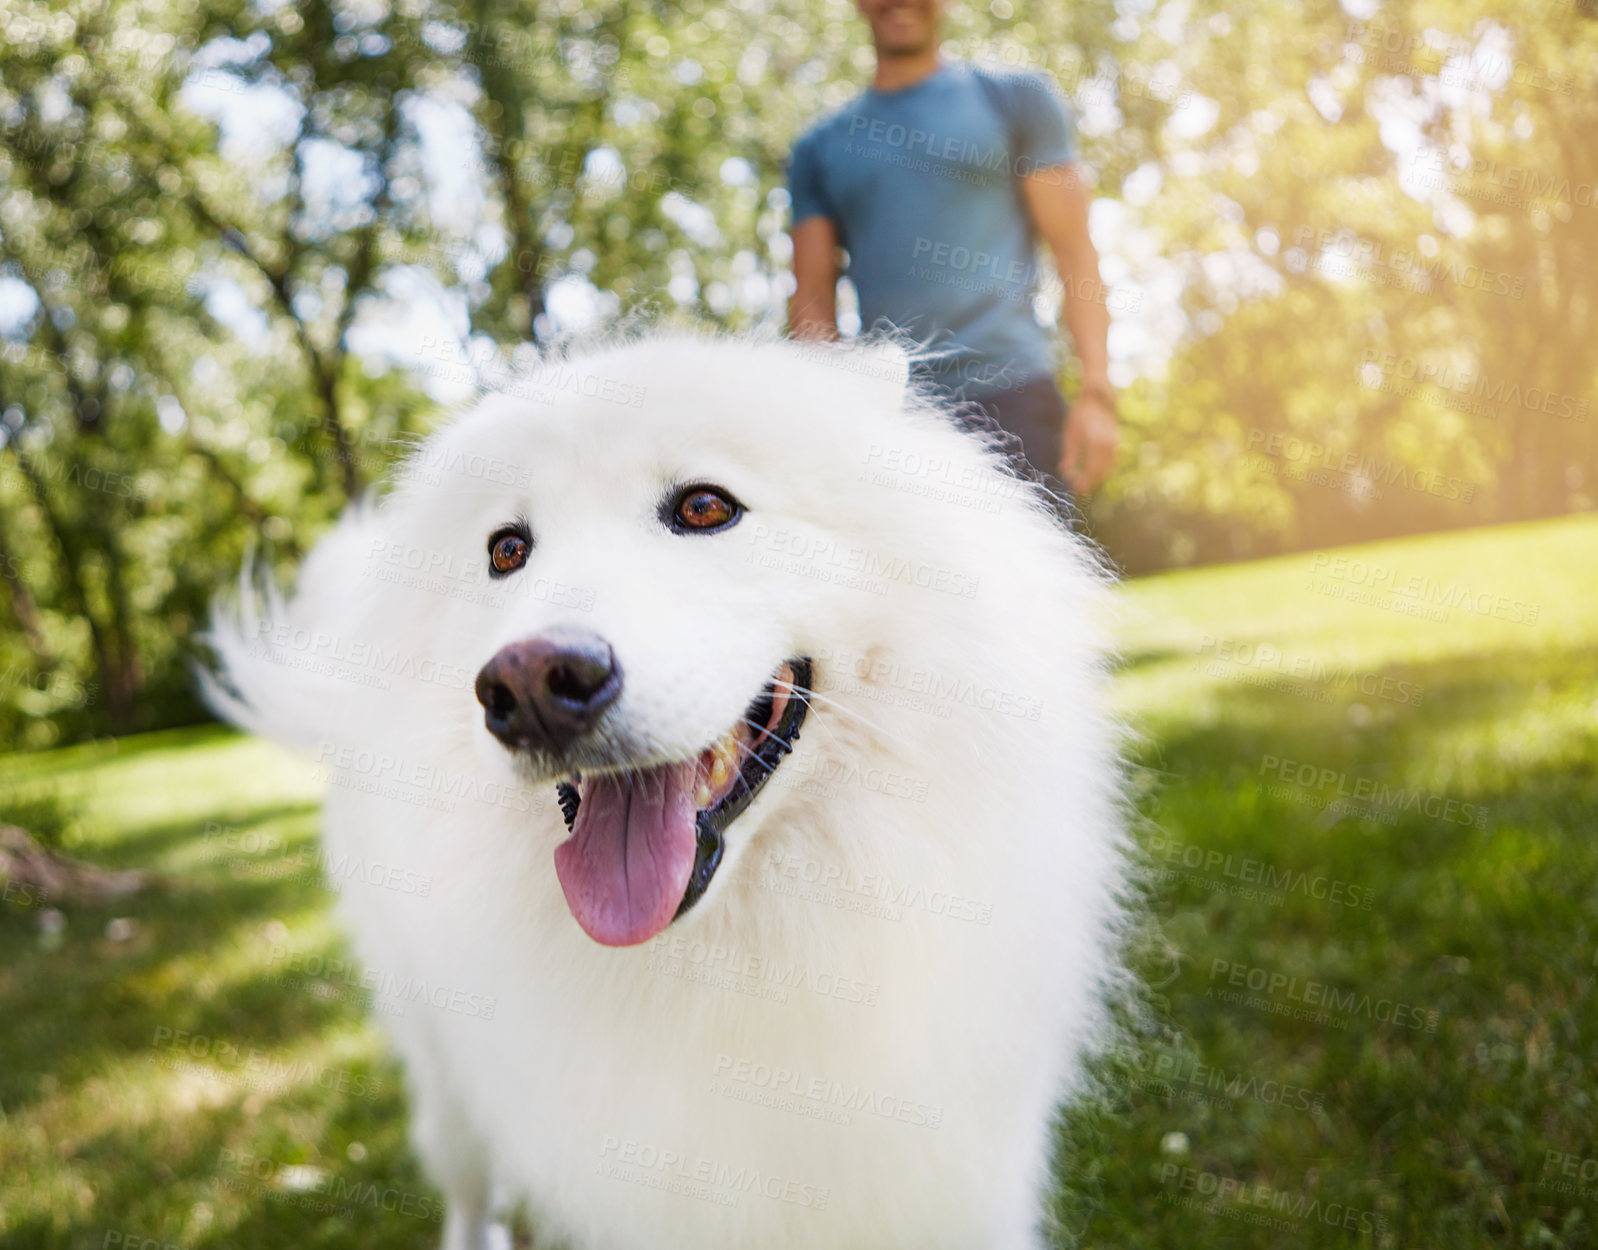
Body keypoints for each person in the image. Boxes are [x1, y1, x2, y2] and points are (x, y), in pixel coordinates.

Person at [786, 0, 1119, 497]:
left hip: (1015, 400)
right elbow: (812, 304)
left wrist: (1096, 391)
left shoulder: (1016, 100)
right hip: (896, 417)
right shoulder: (818, 148)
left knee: (1031, 576)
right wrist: (830, 425)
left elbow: (1075, 253)